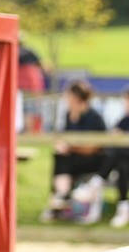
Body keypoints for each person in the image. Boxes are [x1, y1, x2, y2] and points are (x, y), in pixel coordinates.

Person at [42, 80, 107, 223]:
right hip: (73, 158)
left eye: (68, 95)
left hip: (93, 160)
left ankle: (61, 197)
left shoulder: (94, 118)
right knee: (59, 156)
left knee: (63, 159)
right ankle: (62, 197)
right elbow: (64, 138)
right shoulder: (69, 115)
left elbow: (93, 148)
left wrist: (70, 147)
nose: (66, 99)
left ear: (76, 97)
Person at [88, 87, 129, 228]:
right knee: (122, 164)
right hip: (124, 162)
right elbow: (112, 136)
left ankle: (97, 181)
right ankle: (123, 208)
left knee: (118, 153)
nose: (125, 104)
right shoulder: (125, 119)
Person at [17, 36, 48, 132]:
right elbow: (44, 66)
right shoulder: (29, 52)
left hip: (17, 87)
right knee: (30, 111)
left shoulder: (10, 52)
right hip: (30, 87)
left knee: (23, 111)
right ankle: (29, 132)